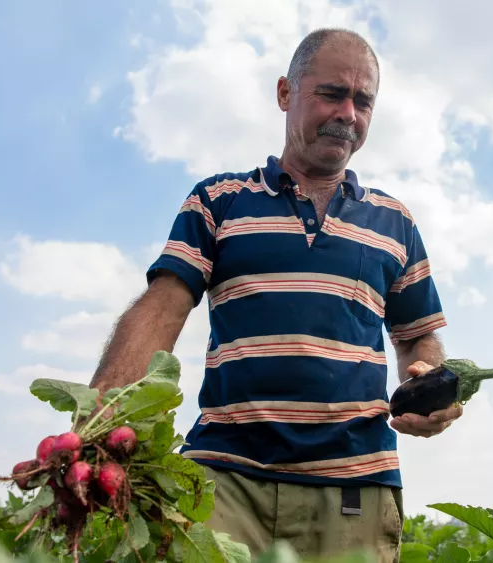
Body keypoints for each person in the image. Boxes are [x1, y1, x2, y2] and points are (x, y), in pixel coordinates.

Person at [88, 27, 461, 562]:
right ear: (286, 93)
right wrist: (103, 415)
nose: (347, 114)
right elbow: (164, 304)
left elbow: (418, 338)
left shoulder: (394, 221)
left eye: (363, 102)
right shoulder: (219, 201)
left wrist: (429, 386)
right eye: (331, 94)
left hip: (353, 483)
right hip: (225, 480)